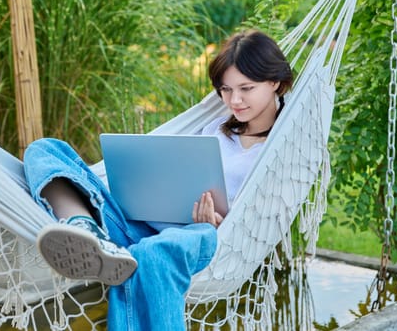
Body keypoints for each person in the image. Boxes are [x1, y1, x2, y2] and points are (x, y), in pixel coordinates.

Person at [23, 29, 293, 330]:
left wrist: (216, 221)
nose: (235, 100)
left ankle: (120, 250)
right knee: (45, 150)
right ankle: (85, 231)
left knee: (152, 254)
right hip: (143, 225)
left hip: (206, 238)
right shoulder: (214, 129)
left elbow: (255, 222)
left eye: (246, 88)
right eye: (226, 90)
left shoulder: (281, 149)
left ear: (275, 82)